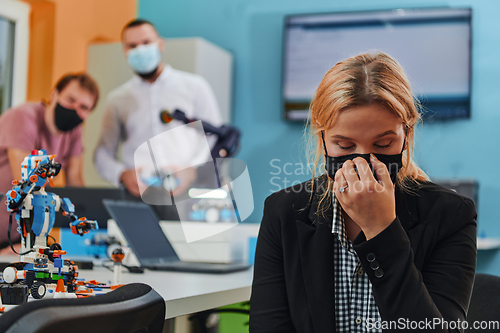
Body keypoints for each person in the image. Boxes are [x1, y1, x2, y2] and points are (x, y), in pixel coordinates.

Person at [249, 52, 477, 332]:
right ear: (322, 137)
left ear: (406, 134)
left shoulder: (451, 215)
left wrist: (382, 230)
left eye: (383, 144)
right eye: (344, 146)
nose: (362, 162)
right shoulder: (282, 212)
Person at [94, 19, 223, 204]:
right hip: (138, 196)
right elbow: (103, 153)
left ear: (160, 44)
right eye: (132, 45)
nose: (140, 50)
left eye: (146, 42)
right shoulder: (117, 99)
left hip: (186, 194)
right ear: (125, 51)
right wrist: (122, 174)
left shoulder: (194, 87)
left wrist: (191, 169)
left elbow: (214, 135)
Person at [0, 73, 100, 249]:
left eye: (83, 107)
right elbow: (26, 185)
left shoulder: (74, 132)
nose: (75, 110)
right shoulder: (23, 118)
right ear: (54, 95)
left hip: (17, 236)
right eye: (71, 100)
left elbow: (75, 183)